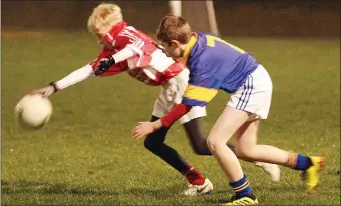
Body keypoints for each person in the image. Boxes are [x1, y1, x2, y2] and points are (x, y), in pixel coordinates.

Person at [30, 3, 279, 197]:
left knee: (203, 145)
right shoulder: (113, 46)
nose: (98, 40)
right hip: (168, 87)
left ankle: (255, 157)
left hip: (179, 83)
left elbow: (138, 47)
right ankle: (200, 182)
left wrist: (114, 60)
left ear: (105, 30)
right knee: (153, 142)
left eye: (98, 34)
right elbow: (87, 69)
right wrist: (53, 88)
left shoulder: (123, 36)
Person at [131, 14, 325, 205]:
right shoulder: (196, 39)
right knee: (246, 149)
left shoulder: (202, 61)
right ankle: (308, 164)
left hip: (251, 85)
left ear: (175, 43)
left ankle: (246, 196)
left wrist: (155, 124)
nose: (164, 51)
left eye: (165, 46)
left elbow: (188, 105)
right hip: (256, 79)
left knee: (215, 141)